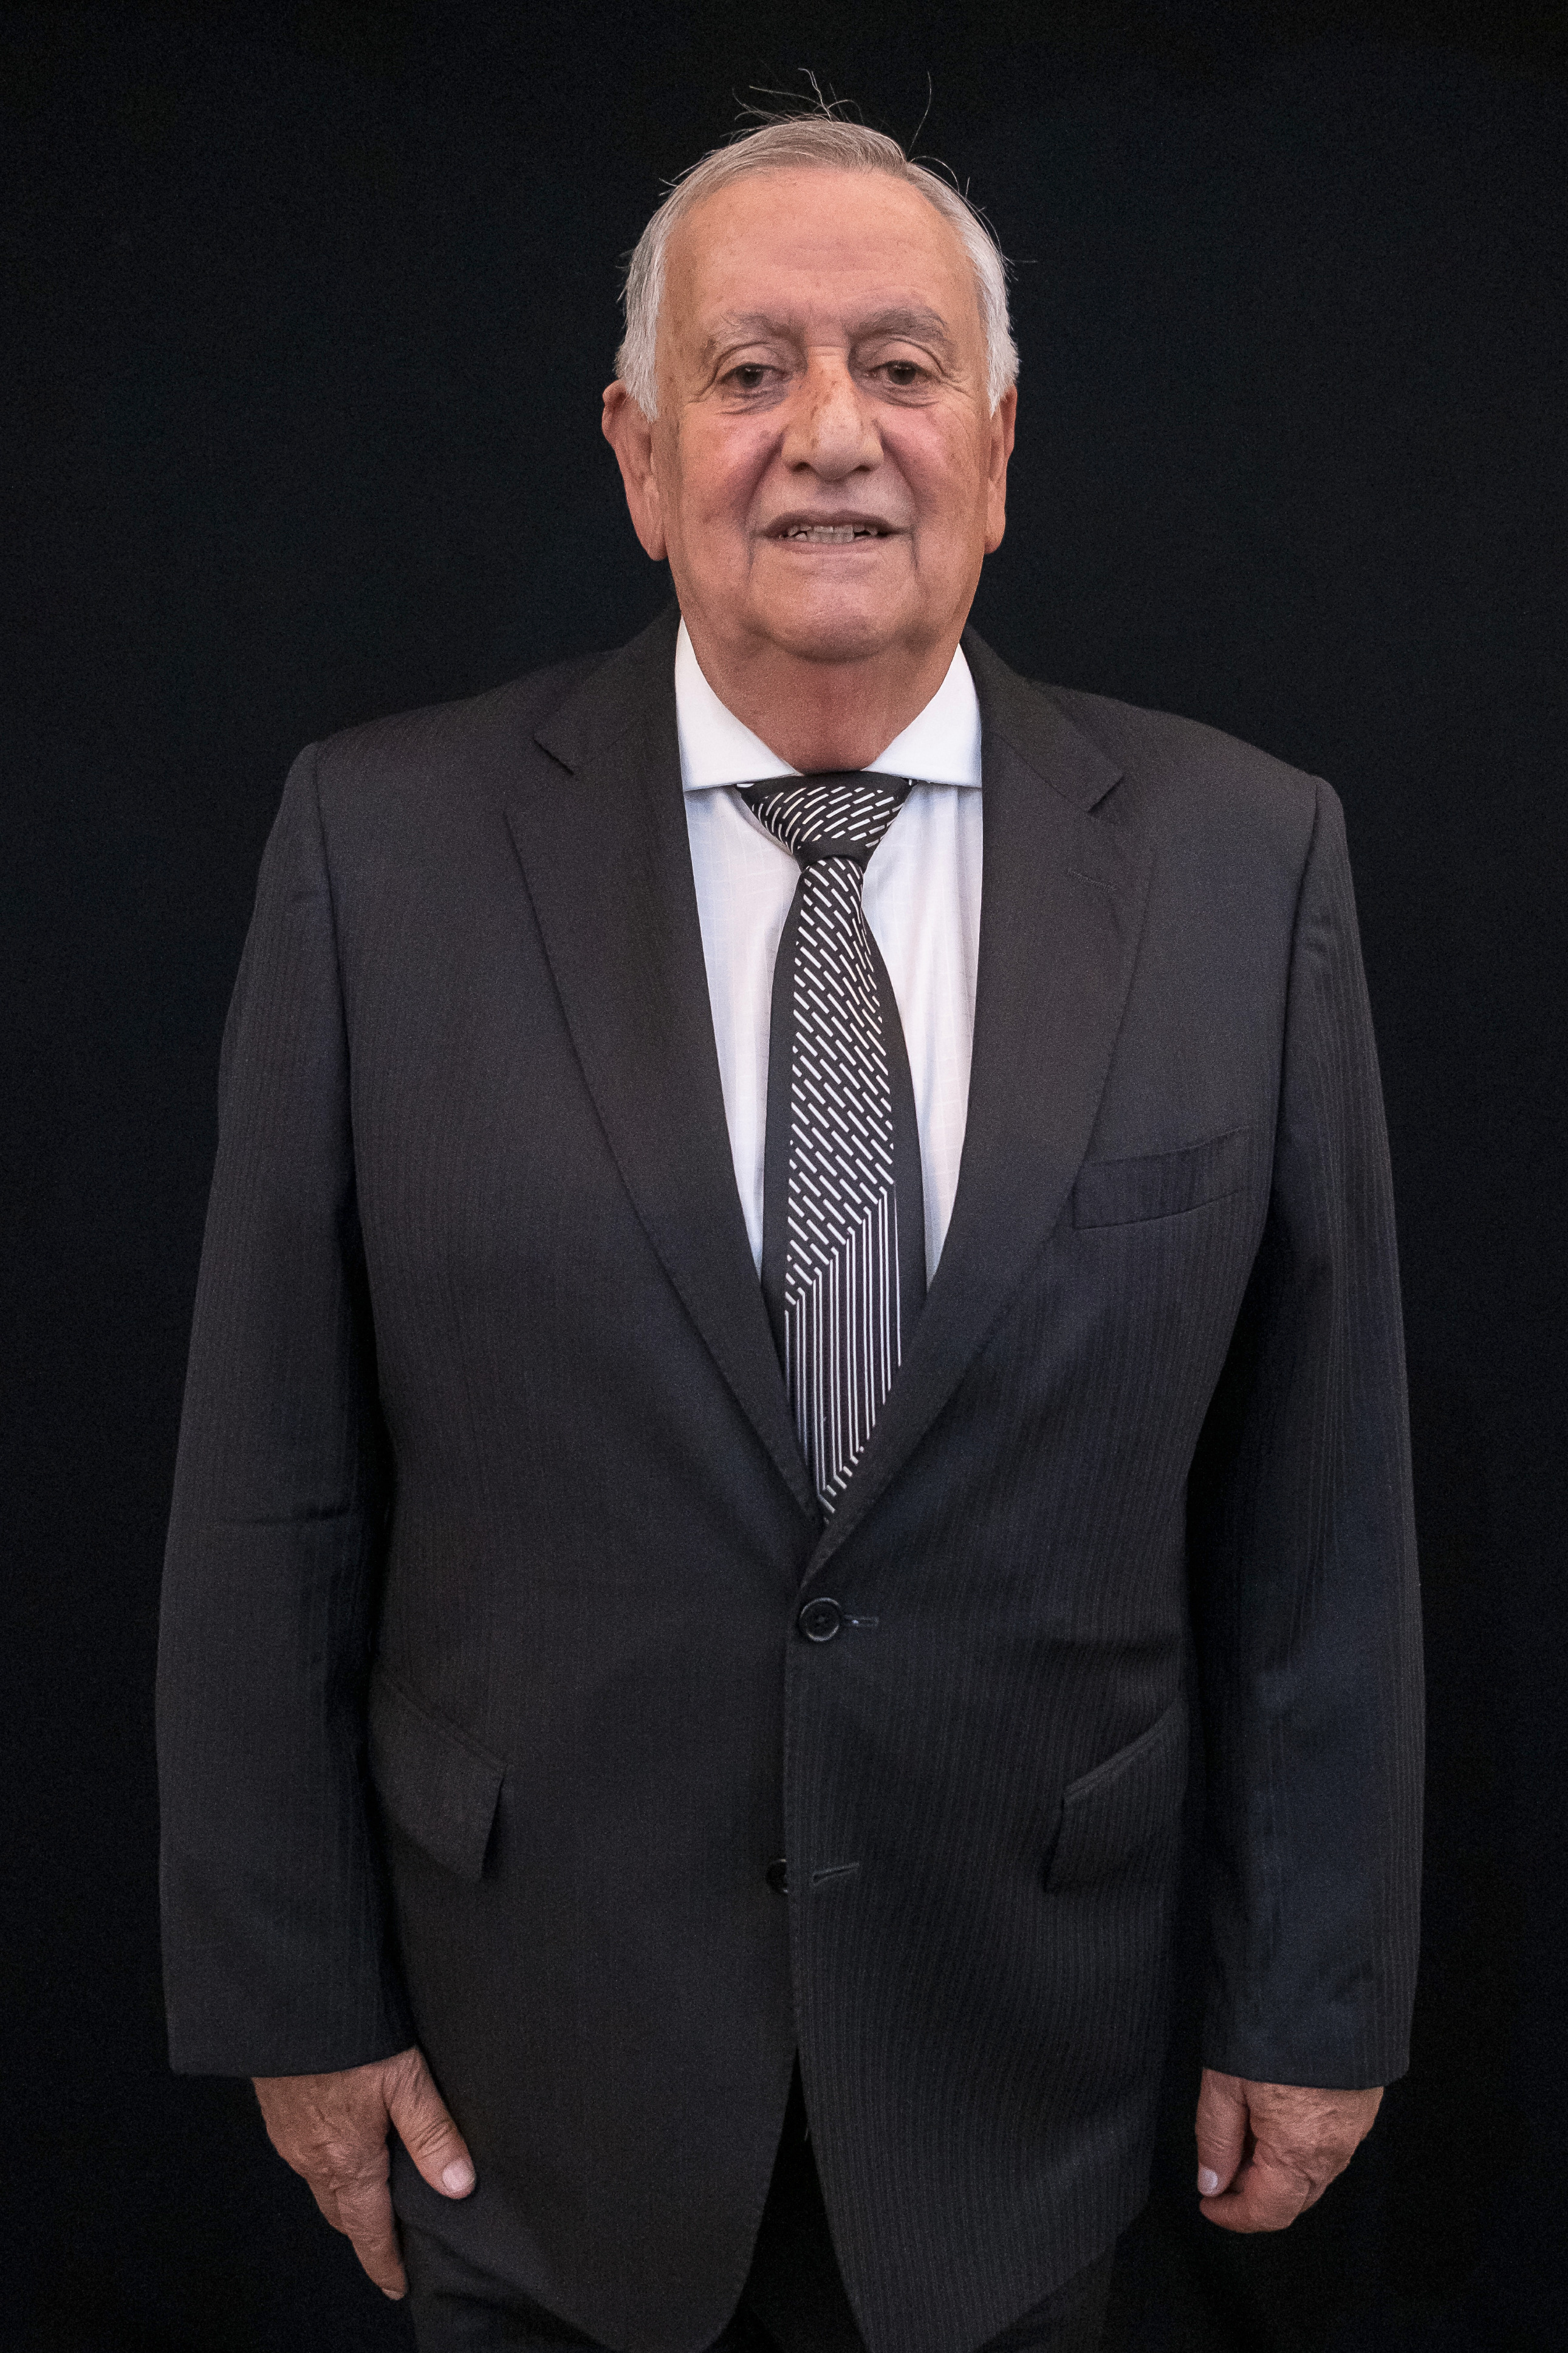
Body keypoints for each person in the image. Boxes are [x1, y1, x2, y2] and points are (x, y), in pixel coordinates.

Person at [157, 109, 1423, 2353]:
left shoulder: (1247, 864)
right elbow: (274, 1483)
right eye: (751, 372)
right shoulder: (383, 852)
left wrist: (1312, 1989)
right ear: (641, 459)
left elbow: (1316, 1507)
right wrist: (292, 1996)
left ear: (999, 451)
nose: (831, 433)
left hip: (1029, 2084)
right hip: (531, 2089)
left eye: (901, 368)